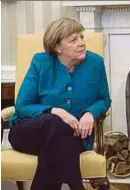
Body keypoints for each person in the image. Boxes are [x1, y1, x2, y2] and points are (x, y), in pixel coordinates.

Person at [8, 17, 111, 190]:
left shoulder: (95, 63)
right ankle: (76, 185)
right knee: (54, 122)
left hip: (73, 136)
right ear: (57, 47)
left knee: (59, 144)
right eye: (73, 40)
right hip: (28, 133)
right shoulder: (40, 62)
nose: (81, 43)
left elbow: (104, 99)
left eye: (81, 37)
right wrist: (56, 111)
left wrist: (90, 113)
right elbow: (22, 106)